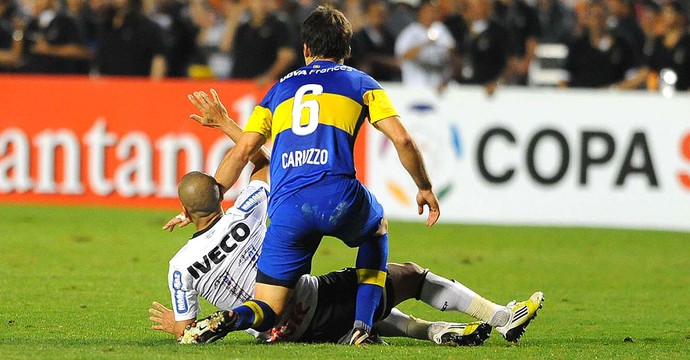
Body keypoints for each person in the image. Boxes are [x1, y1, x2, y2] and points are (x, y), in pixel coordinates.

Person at [152, 90, 544, 346]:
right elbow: (260, 160)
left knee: (367, 310)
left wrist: (177, 328)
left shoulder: (179, 266)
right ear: (218, 197)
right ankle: (500, 315)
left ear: (185, 211)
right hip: (312, 300)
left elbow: (187, 328)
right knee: (407, 276)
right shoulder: (248, 208)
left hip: (277, 333)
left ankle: (436, 332)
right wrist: (223, 123)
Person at [168, 5, 441, 346]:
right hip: (338, 197)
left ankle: (233, 318)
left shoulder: (278, 90)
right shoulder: (361, 83)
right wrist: (424, 187)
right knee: (376, 230)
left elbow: (242, 154)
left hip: (288, 209)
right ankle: (361, 327)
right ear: (347, 50)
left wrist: (209, 198)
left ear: (306, 49)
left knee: (269, 305)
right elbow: (402, 138)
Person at [617, 0, 690, 91]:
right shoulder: (658, 43)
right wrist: (617, 87)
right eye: (663, 12)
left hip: (684, 95)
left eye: (669, 12)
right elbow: (646, 70)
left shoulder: (687, 42)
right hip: (659, 95)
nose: (665, 16)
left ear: (680, 16)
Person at [560, 0, 635, 88]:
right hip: (581, 98)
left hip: (613, 98)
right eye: (593, 16)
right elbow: (564, 79)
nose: (597, 20)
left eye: (600, 16)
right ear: (587, 19)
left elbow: (632, 79)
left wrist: (612, 90)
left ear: (607, 18)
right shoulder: (577, 46)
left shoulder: (621, 45)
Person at [96, 0, 168, 79]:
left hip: (137, 88)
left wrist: (153, 89)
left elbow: (158, 61)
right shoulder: (104, 26)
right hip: (107, 88)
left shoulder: (148, 28)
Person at [395, 0, 456, 90]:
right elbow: (402, 57)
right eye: (428, 11)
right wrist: (426, 43)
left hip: (438, 87)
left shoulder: (441, 30)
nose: (431, 14)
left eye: (434, 11)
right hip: (414, 86)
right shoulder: (410, 32)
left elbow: (452, 55)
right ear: (420, 12)